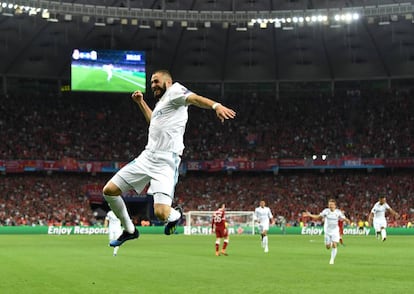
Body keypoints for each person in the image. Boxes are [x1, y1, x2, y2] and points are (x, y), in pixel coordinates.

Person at [102, 69, 236, 247]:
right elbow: (153, 121)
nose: (153, 85)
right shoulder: (161, 104)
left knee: (161, 214)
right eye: (151, 83)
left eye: (156, 81)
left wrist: (215, 106)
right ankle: (129, 230)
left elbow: (194, 99)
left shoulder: (175, 91)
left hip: (166, 161)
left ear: (168, 82)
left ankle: (176, 216)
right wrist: (141, 102)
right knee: (109, 191)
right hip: (147, 156)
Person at [303, 199, 350, 265]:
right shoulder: (326, 211)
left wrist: (347, 220)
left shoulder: (338, 212)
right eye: (329, 205)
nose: (330, 206)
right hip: (327, 231)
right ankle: (329, 243)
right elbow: (317, 217)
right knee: (328, 247)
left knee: (334, 245)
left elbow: (344, 218)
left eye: (331, 205)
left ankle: (332, 259)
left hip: (335, 231)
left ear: (335, 206)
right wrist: (310, 215)